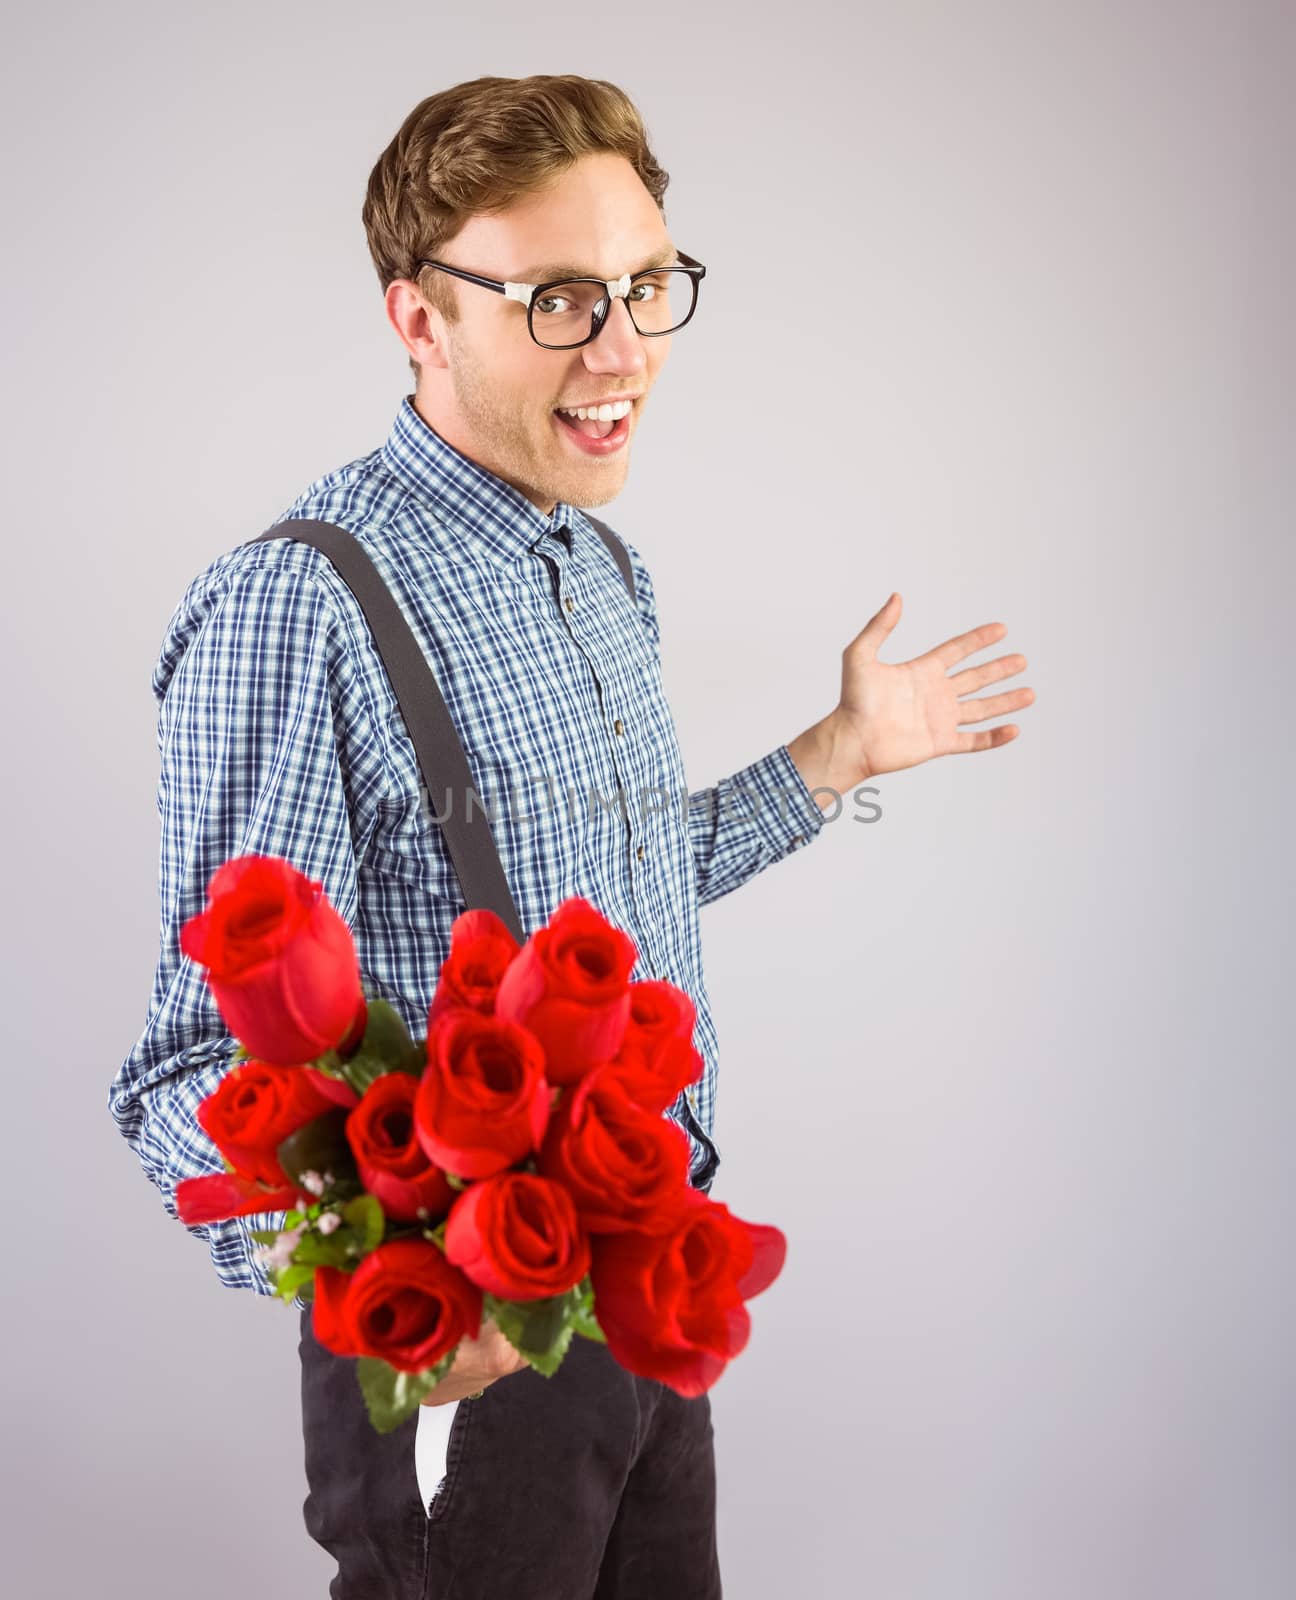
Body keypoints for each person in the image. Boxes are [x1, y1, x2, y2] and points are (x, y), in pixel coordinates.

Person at [108, 73, 1034, 1599]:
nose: (624, 352)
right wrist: (371, 1281)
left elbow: (619, 895)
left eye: (646, 287)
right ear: (418, 319)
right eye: (554, 299)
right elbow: (189, 1072)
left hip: (649, 1282)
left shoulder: (600, 562)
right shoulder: (303, 603)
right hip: (468, 1350)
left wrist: (841, 754)